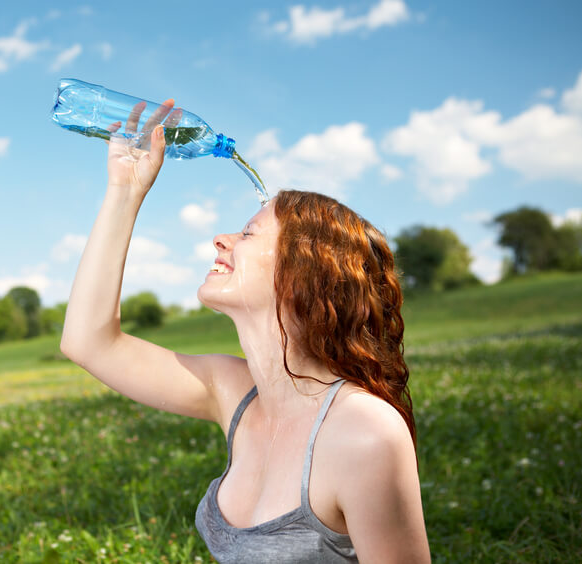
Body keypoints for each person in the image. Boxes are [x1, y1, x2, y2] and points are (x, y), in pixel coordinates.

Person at [60, 99, 431, 563]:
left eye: (249, 233)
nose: (221, 239)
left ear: (304, 275)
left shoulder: (364, 431)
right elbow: (88, 342)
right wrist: (125, 191)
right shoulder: (235, 392)